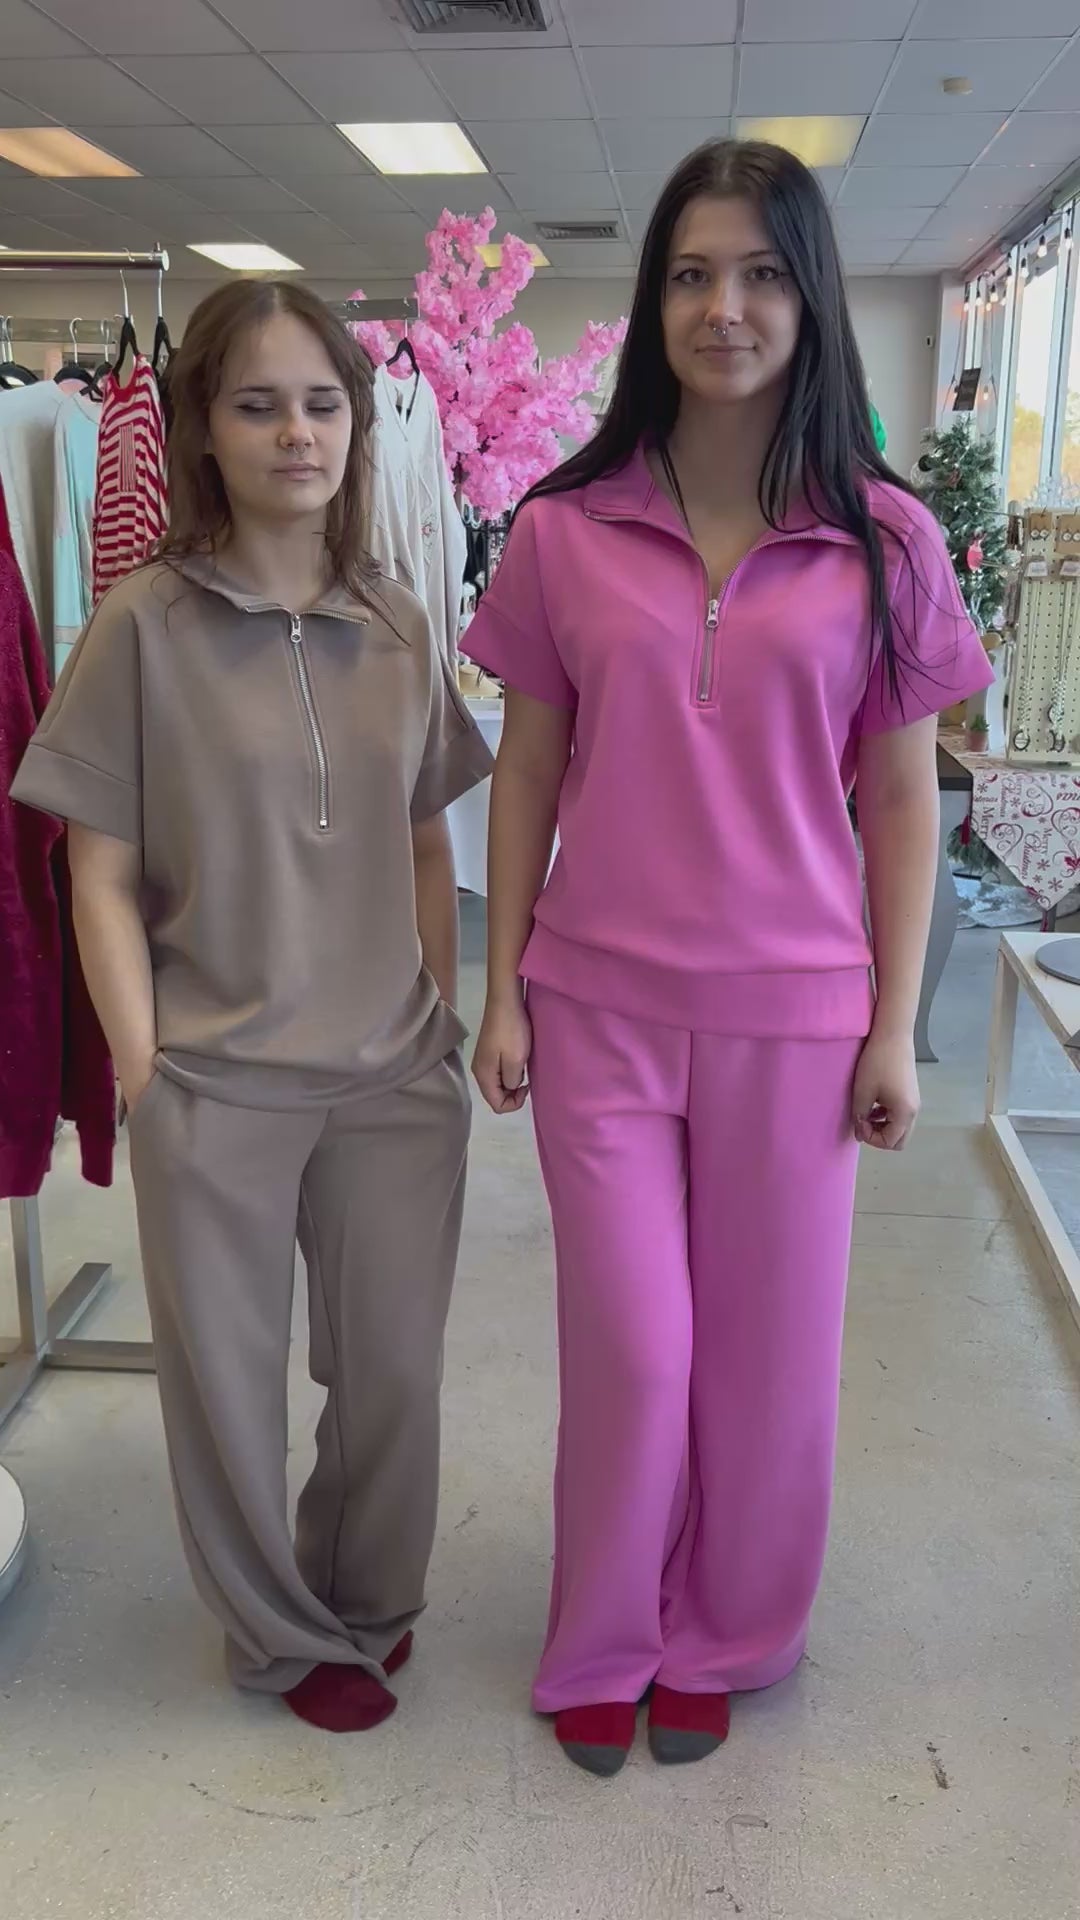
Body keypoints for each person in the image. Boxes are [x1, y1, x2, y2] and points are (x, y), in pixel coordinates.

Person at [469, 140, 993, 1777]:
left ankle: (728, 1636)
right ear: (654, 303)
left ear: (811, 298)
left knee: (768, 1367)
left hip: (800, 1019)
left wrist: (893, 1025)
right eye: (693, 274)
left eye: (763, 274)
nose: (727, 307)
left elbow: (899, 800)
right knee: (635, 1354)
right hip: (599, 1008)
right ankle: (605, 1634)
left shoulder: (887, 539)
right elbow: (528, 771)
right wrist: (499, 988)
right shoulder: (563, 530)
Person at [12, 281, 492, 1733]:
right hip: (214, 1081)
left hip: (393, 1078)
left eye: (324, 404)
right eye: (259, 405)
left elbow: (428, 841)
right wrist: (143, 1069)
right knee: (226, 1387)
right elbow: (95, 874)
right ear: (205, 431)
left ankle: (370, 1599)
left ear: (359, 423)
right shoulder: (141, 627)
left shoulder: (398, 620)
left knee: (392, 1376)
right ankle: (279, 1637)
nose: (299, 434)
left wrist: (442, 1018)